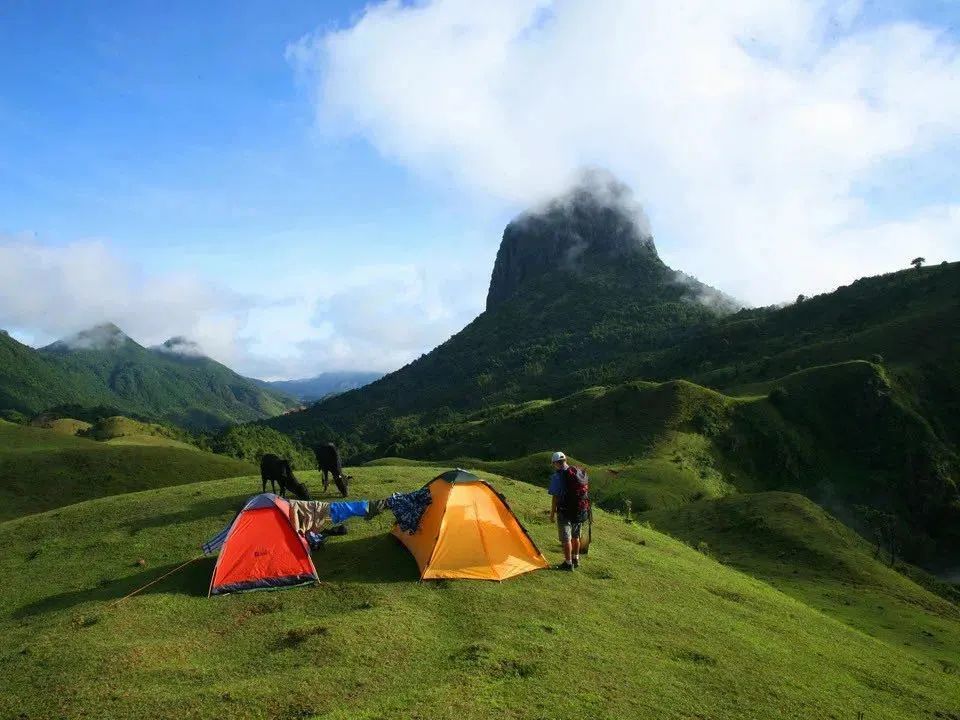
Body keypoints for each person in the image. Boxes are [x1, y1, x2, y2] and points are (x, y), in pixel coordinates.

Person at [548, 450, 583, 571]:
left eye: (553, 464)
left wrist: (552, 514)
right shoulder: (576, 472)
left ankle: (568, 564)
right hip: (579, 509)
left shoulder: (558, 476)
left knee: (566, 539)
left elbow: (555, 496)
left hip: (564, 510)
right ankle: (576, 559)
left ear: (555, 463)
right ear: (565, 461)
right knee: (576, 536)